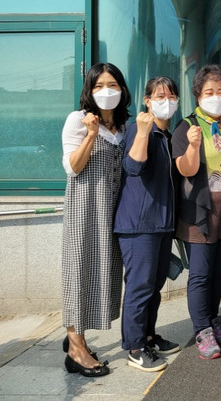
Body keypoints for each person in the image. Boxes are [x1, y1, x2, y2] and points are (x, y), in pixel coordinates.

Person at [61, 62, 132, 377]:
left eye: (112, 85)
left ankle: (76, 337)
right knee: (78, 272)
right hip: (85, 209)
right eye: (99, 86)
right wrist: (91, 134)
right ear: (89, 91)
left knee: (102, 273)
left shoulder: (124, 126)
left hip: (113, 211)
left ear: (122, 89)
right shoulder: (77, 120)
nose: (106, 91)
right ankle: (76, 350)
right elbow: (73, 167)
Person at [114, 76, 182, 372]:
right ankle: (135, 347)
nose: (166, 101)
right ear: (147, 101)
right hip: (139, 224)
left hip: (161, 224)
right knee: (140, 287)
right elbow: (133, 167)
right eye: (159, 96)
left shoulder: (167, 135)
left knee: (154, 286)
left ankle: (149, 336)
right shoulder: (140, 129)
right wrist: (142, 132)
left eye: (171, 96)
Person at [172, 64, 221, 360]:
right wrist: (194, 146)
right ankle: (201, 330)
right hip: (199, 211)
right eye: (209, 92)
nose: (216, 97)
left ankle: (211, 320)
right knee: (200, 274)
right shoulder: (186, 127)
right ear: (198, 95)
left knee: (220, 271)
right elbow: (185, 169)